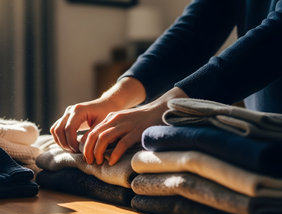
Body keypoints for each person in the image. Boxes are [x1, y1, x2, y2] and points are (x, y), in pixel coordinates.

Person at [50, 0, 282, 166]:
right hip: (264, 143)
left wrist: (164, 109)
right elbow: (193, 33)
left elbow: (274, 39)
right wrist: (112, 101)